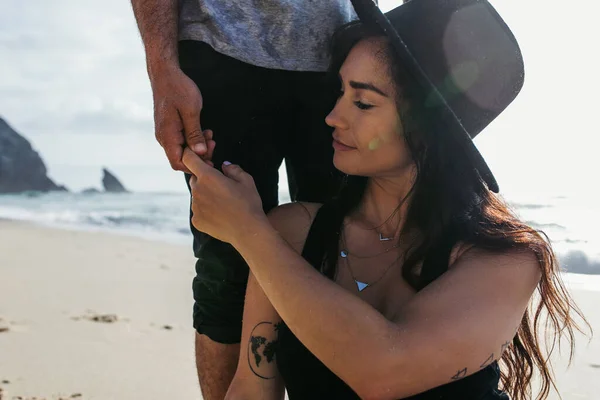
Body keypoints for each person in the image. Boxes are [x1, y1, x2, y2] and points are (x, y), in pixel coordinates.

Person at [182, 0, 591, 399]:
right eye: (339, 92)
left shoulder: (508, 260)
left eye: (362, 102)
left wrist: (249, 233)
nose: (333, 116)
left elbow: (383, 374)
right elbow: (253, 387)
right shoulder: (292, 231)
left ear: (427, 127)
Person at [130, 0, 357, 398]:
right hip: (222, 47)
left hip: (339, 54)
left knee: (343, 256)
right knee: (229, 267)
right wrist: (162, 70)